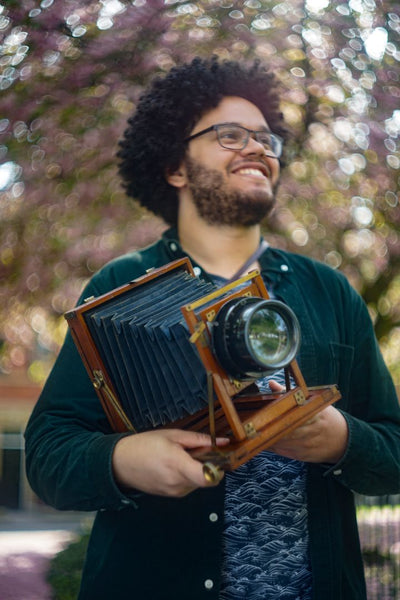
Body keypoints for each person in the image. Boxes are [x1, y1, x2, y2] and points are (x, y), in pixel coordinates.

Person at [25, 57, 400, 600]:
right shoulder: (121, 285)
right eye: (231, 135)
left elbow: (393, 453)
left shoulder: (328, 291)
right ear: (176, 167)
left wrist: (341, 439)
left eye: (267, 140)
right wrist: (125, 460)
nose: (257, 148)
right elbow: (46, 453)